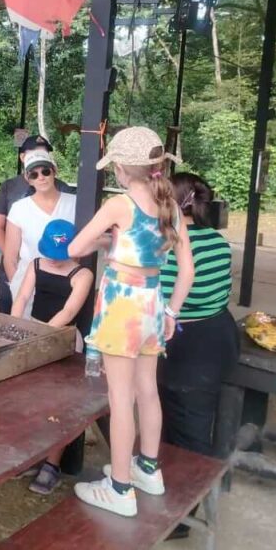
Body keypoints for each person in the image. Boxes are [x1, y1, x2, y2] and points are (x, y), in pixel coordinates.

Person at [67, 127, 193, 517]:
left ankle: (120, 488)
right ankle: (147, 469)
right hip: (154, 303)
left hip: (122, 305)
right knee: (147, 390)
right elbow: (186, 269)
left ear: (121, 168)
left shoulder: (120, 205)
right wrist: (172, 311)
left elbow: (75, 248)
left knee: (120, 398)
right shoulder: (170, 203)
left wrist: (105, 241)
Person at [158, 173, 240, 457]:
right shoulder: (218, 240)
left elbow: (163, 299)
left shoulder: (170, 246)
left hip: (187, 348)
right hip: (219, 335)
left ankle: (188, 496)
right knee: (189, 420)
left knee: (187, 433)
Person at [11, 219, 93, 494]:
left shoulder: (83, 275)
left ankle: (52, 464)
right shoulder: (36, 264)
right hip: (34, 330)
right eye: (51, 254)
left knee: (59, 403)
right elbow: (22, 298)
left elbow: (68, 312)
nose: (55, 261)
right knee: (30, 398)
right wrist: (15, 327)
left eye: (61, 255)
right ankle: (34, 454)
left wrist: (42, 335)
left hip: (65, 339)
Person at [0, 134, 74, 314]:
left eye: (46, 171)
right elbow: (10, 256)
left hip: (65, 282)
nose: (41, 177)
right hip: (28, 281)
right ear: (27, 177)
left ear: (54, 171)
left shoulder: (74, 203)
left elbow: (83, 247)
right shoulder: (18, 207)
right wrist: (19, 290)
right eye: (34, 174)